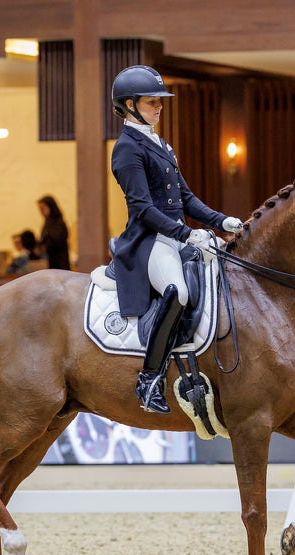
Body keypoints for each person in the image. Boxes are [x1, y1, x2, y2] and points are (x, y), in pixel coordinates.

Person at [109, 65, 244, 413]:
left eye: (160, 102)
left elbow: (185, 199)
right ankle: (150, 378)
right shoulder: (126, 149)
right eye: (152, 102)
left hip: (176, 238)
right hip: (148, 241)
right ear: (129, 104)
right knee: (178, 292)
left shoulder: (160, 144)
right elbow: (141, 207)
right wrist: (187, 234)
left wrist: (221, 220)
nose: (159, 107)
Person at [37, 195, 71, 271]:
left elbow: (57, 240)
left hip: (60, 264)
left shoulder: (59, 223)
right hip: (50, 262)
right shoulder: (47, 223)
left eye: (43, 208)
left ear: (51, 207)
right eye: (40, 209)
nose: (41, 211)